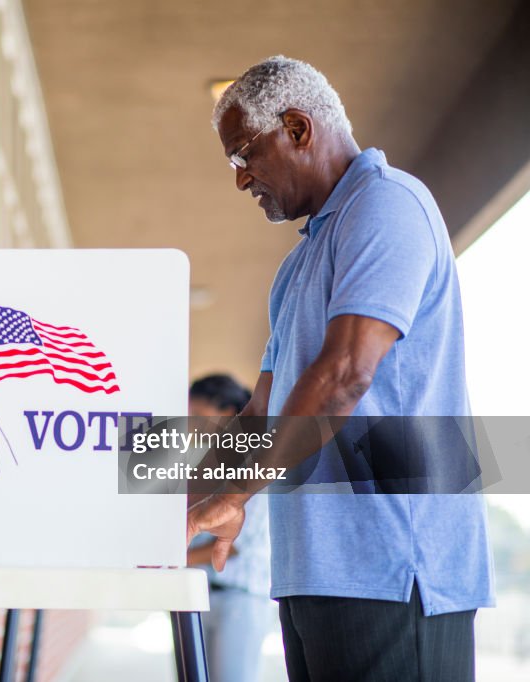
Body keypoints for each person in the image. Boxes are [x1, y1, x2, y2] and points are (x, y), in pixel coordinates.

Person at [186, 56, 494, 682]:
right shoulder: (298, 266)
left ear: (297, 128)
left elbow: (347, 372)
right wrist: (178, 507)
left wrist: (237, 494)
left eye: (244, 156)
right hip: (314, 570)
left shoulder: (387, 205)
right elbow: (257, 414)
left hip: (393, 566)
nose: (241, 181)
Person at [188, 374, 275, 682]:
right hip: (197, 596)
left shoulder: (254, 461)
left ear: (226, 413)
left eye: (198, 415)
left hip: (239, 599)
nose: (190, 425)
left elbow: (238, 542)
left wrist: (173, 560)